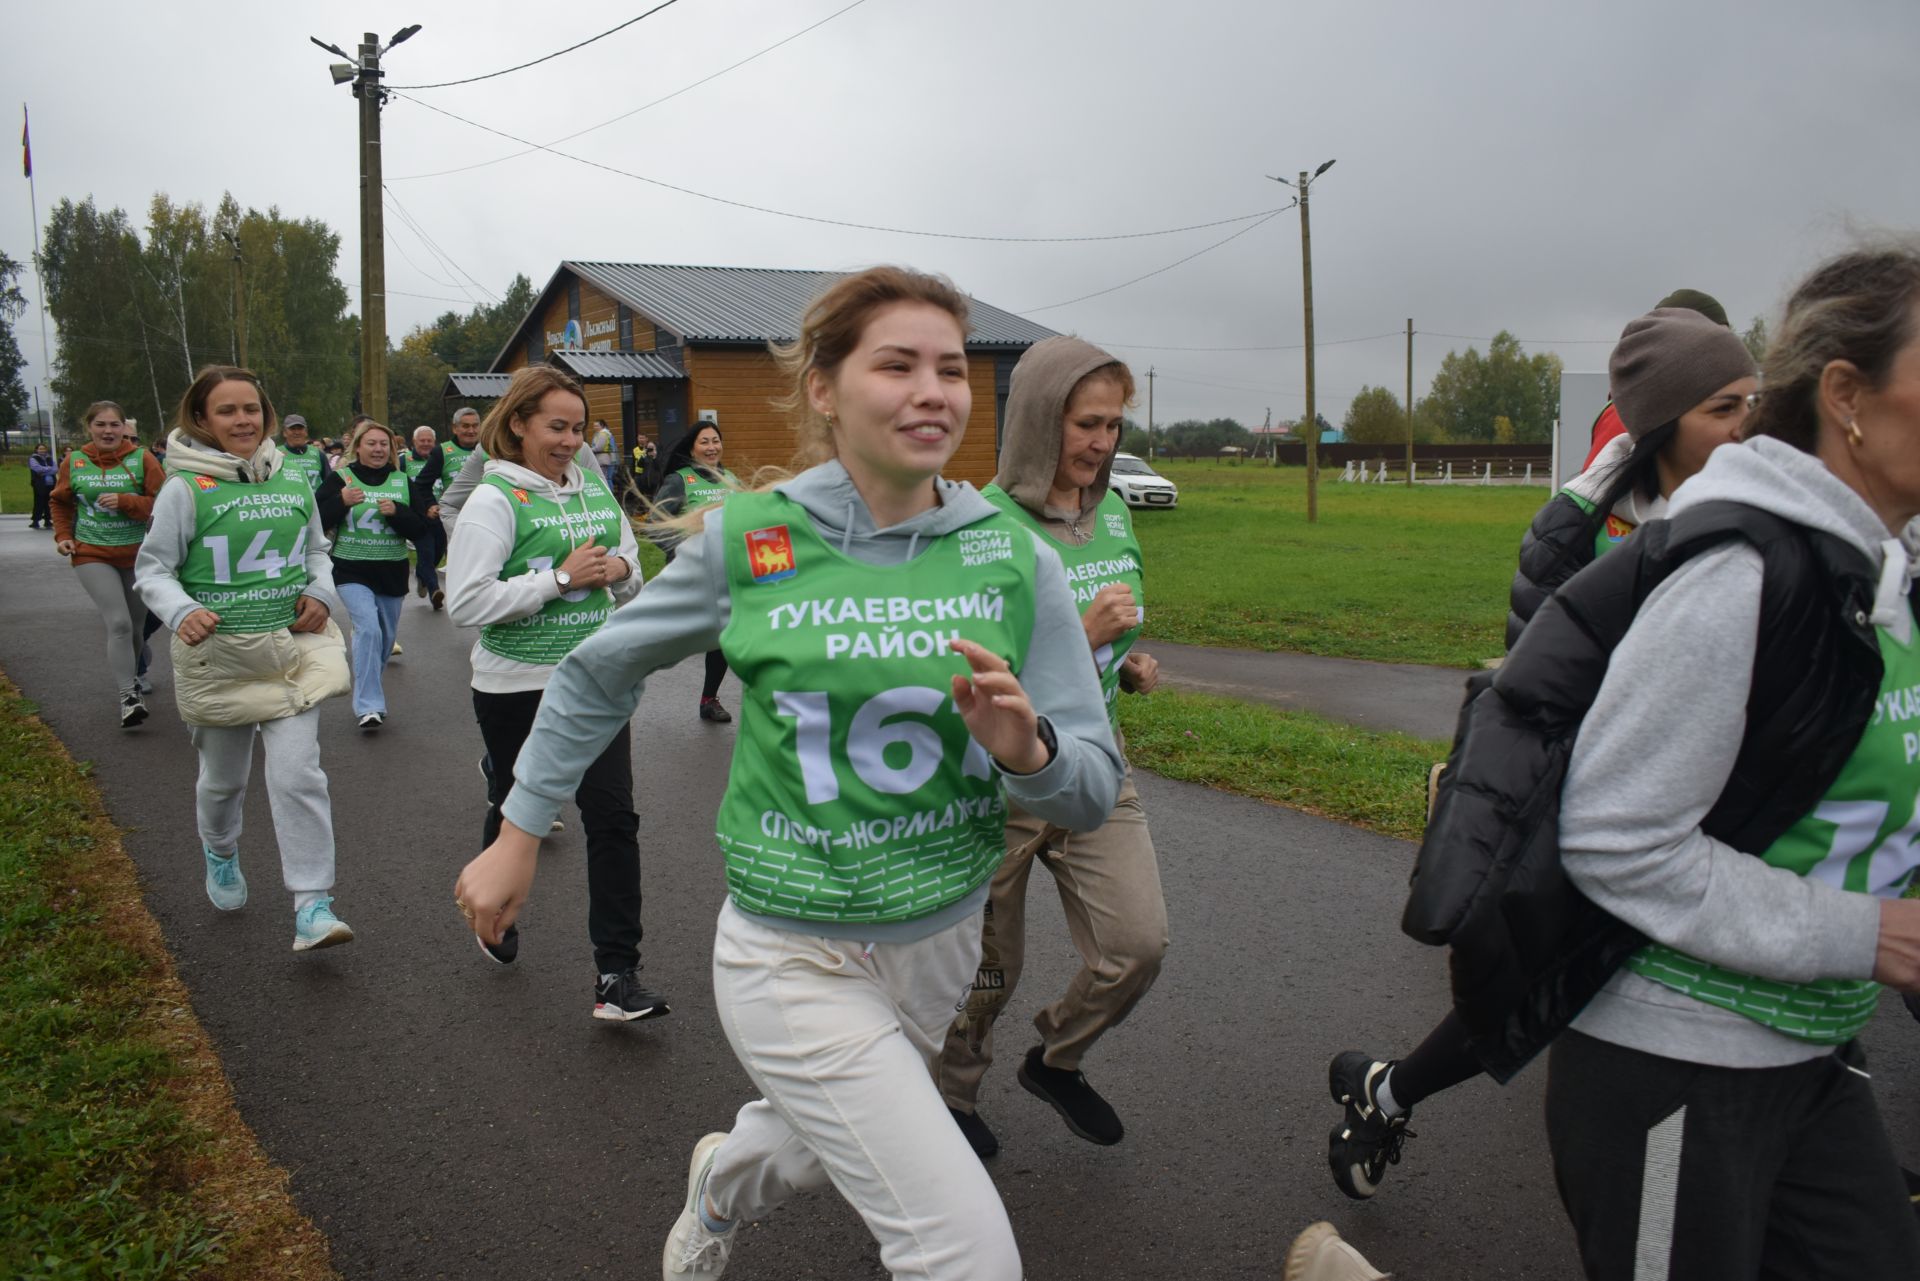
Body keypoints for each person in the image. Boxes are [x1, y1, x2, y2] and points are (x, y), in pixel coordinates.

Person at [452, 266, 1124, 1281]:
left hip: (941, 936)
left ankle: (719, 1181)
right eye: (896, 364)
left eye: (951, 368)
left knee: (812, 1143)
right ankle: (738, 1184)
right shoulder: (749, 538)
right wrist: (517, 831)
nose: (933, 389)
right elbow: (597, 674)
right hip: (787, 949)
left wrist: (1027, 751)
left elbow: (1091, 787)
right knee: (964, 1251)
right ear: (823, 388)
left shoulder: (1010, 557)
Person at [1535, 247, 1920, 1277]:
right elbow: (1614, 841)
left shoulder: (1887, 575)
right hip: (1674, 1061)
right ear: (1847, 394)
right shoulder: (1744, 573)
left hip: (1811, 1051)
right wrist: (1870, 931)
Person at [1328, 308, 1759, 1200]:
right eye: (1727, 405)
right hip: (1619, 797)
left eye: (1754, 399)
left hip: (1711, 800)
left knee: (1568, 984)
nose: (1752, 421)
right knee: (1555, 982)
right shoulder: (1620, 529)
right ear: (1665, 420)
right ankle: (1394, 1089)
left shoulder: (1756, 511)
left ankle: (1390, 1089)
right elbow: (1536, 646)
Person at [934, 336, 1168, 1158]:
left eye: (1114, 423)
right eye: (1086, 422)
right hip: (1002, 785)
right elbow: (959, 659)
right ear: (1039, 419)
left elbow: (1117, 624)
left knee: (1139, 945)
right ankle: (952, 1097)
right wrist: (1084, 638)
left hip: (1097, 766)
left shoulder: (1114, 511)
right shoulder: (977, 524)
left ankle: (1058, 1057)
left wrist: (1123, 663)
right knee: (988, 970)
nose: (1103, 443)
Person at [444, 365, 652, 1009]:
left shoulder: (592, 487)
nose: (569, 440)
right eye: (555, 427)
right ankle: (494, 911)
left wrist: (617, 568)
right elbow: (465, 602)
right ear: (518, 426)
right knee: (515, 806)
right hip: (514, 685)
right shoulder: (494, 500)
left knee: (613, 818)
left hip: (593, 680)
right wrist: (558, 582)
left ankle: (617, 974)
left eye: (577, 427)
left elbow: (632, 571)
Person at [135, 365, 353, 951]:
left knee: (297, 774)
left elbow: (317, 552)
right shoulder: (185, 489)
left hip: (290, 654)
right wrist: (182, 612)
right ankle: (221, 850)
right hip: (219, 661)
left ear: (267, 415)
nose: (242, 420)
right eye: (227, 411)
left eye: (251, 409)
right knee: (222, 782)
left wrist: (320, 593)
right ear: (202, 420)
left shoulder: (291, 479)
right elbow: (152, 570)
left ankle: (313, 906)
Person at [49, 400, 166, 726]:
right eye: (100, 425)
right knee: (118, 623)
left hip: (137, 554)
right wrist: (62, 537)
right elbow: (60, 502)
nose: (108, 431)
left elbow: (165, 503)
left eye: (114, 425)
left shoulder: (142, 459)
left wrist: (128, 501)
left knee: (136, 628)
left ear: (124, 428)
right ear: (90, 427)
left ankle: (137, 662)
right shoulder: (75, 461)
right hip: (92, 553)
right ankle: (129, 697)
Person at [316, 419, 430, 730]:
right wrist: (340, 502)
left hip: (391, 571)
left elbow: (421, 529)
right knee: (367, 628)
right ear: (358, 448)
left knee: (383, 638)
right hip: (351, 568)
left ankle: (370, 689)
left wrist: (399, 513)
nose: (378, 449)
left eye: (384, 444)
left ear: (391, 449)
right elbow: (315, 518)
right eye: (371, 443)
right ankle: (369, 706)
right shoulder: (341, 478)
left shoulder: (401, 481)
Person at [1582, 288, 1734, 468]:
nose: (1726, 352)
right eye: (1715, 341)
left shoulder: (1702, 407)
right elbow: (1596, 492)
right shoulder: (1631, 412)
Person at [649, 422, 740, 723]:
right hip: (690, 576)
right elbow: (655, 523)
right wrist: (686, 551)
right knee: (666, 642)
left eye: (716, 440)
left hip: (725, 575)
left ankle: (709, 699)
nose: (712, 447)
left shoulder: (730, 479)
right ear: (692, 448)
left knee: (724, 637)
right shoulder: (680, 481)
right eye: (705, 442)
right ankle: (622, 683)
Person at [278, 414, 327, 493]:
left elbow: (330, 483)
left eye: (300, 428)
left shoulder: (318, 454)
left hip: (316, 503)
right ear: (284, 432)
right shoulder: (276, 454)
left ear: (306, 432)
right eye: (292, 429)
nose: (297, 432)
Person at [28, 442, 56, 528]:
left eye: (43, 449)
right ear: (36, 450)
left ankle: (48, 520)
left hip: (51, 484)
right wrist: (48, 469)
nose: (42, 450)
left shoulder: (49, 458)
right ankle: (35, 521)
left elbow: (55, 469)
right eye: (40, 449)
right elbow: (37, 469)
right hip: (39, 484)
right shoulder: (33, 459)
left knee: (49, 502)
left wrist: (45, 470)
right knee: (39, 502)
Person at [587, 418, 616, 490]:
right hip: (602, 459)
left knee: (603, 478)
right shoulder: (604, 434)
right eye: (594, 426)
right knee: (605, 478)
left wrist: (588, 450)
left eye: (597, 426)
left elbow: (599, 447)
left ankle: (608, 494)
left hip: (602, 459)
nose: (595, 428)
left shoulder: (602, 434)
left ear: (602, 426)